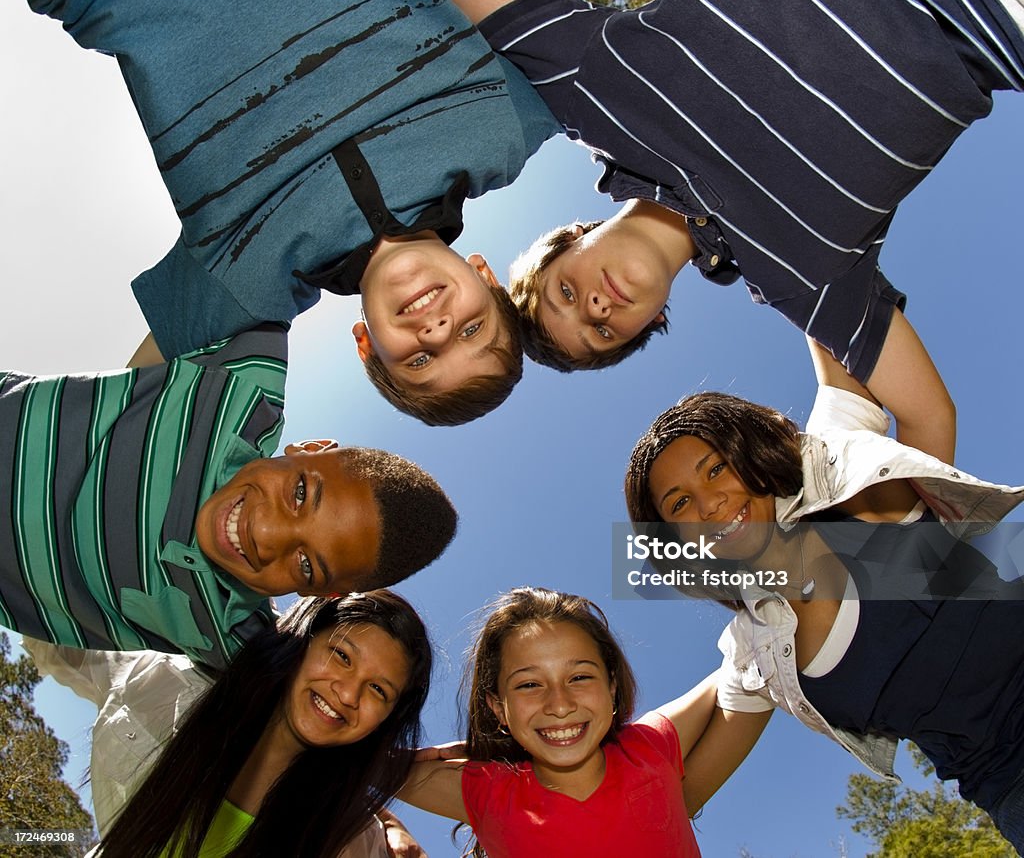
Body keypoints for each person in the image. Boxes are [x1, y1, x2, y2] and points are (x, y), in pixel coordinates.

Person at [418, 0, 1024, 455]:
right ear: (653, 322)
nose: (597, 307)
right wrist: (886, 582)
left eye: (565, 295)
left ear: (571, 237)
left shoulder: (592, 92)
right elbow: (929, 419)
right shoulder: (802, 282)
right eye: (601, 333)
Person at [5, 0, 559, 426]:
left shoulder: (247, 288)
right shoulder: (507, 125)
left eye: (420, 359)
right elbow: (618, 74)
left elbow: (110, 414)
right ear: (486, 278)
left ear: (366, 344)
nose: (437, 330)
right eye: (472, 329)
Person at [623, 347, 1024, 850]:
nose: (709, 503)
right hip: (1010, 783)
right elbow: (670, 802)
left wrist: (765, 267)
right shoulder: (758, 654)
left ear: (750, 456)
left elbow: (833, 308)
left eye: (716, 468)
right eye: (679, 502)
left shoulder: (836, 476)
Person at [0, 325, 457, 669]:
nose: (264, 533)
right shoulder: (240, 380)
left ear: (318, 592)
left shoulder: (236, 642)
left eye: (305, 564)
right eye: (300, 493)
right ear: (312, 449)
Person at [24, 591, 433, 857]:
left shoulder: (350, 841)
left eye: (378, 690)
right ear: (303, 639)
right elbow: (56, 629)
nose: (348, 694)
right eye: (342, 656)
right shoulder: (165, 685)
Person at [399, 586, 722, 858]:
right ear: (498, 708)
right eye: (529, 684)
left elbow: (742, 672)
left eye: (579, 677)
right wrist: (482, 750)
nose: (560, 705)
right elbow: (357, 755)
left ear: (611, 688)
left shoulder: (646, 744)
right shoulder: (485, 790)